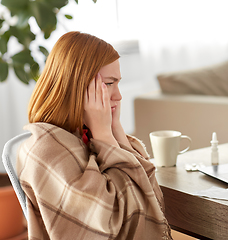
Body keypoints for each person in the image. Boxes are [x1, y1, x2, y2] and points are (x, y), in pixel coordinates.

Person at [16, 31, 173, 240]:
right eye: (109, 84)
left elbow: (149, 195)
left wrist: (114, 131)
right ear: (76, 85)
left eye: (118, 83)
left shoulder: (86, 135)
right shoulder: (45, 150)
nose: (118, 95)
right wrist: (104, 135)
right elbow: (107, 226)